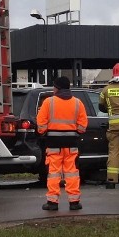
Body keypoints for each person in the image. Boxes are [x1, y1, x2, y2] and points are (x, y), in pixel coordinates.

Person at [36, 76, 88, 211]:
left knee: (54, 172)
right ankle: (74, 202)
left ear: (57, 88)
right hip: (71, 144)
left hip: (53, 144)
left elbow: (41, 124)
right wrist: (75, 132)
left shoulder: (49, 102)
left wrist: (44, 132)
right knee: (72, 172)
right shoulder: (78, 103)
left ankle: (52, 203)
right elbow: (83, 126)